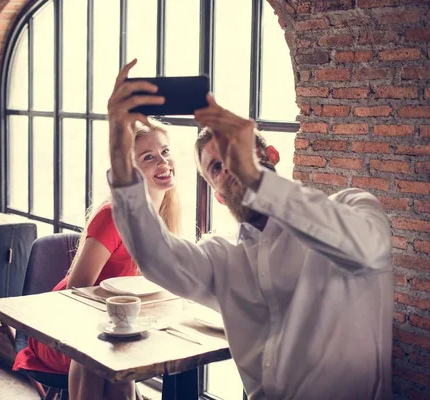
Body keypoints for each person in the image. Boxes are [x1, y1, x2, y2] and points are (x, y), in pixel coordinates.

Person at [107, 60, 393, 399]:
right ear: (217, 193)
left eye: (235, 152)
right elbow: (157, 257)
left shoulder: (351, 207)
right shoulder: (222, 257)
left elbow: (369, 250)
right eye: (216, 166)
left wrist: (256, 178)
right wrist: (118, 149)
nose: (229, 166)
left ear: (271, 155)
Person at [13, 120, 181, 400]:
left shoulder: (167, 214)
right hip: (65, 330)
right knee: (104, 355)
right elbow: (75, 291)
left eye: (165, 152)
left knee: (118, 360)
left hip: (122, 328)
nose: (163, 162)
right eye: (149, 157)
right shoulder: (114, 216)